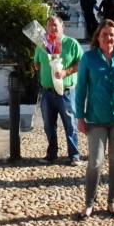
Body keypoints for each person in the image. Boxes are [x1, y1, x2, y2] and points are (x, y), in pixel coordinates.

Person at [74, 19, 114, 219]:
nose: (108, 38)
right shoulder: (88, 58)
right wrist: (79, 116)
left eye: (112, 35)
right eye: (104, 34)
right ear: (98, 37)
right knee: (95, 162)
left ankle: (112, 202)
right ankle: (89, 203)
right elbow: (81, 89)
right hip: (96, 117)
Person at [33, 16, 83, 166]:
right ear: (46, 28)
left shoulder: (71, 43)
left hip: (66, 92)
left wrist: (65, 72)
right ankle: (51, 154)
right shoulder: (42, 44)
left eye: (55, 25)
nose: (52, 28)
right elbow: (36, 63)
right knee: (49, 125)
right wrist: (41, 66)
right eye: (49, 26)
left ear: (62, 27)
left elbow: (81, 62)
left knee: (70, 124)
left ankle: (74, 155)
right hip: (47, 92)